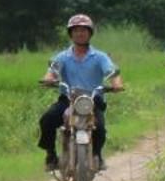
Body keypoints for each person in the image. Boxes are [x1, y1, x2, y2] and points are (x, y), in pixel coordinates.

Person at [38, 13, 124, 171]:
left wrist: (116, 85)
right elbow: (51, 73)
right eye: (76, 30)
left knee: (100, 127)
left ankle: (97, 155)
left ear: (90, 33)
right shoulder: (62, 57)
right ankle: (50, 154)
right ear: (70, 34)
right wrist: (49, 80)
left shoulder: (100, 57)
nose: (80, 33)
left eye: (84, 30)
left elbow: (113, 73)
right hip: (68, 99)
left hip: (92, 100)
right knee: (47, 120)